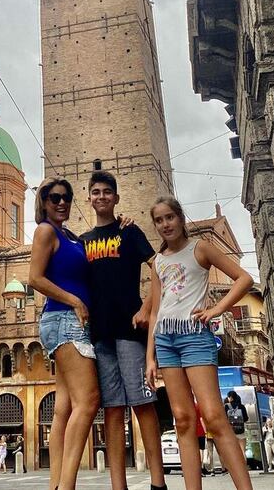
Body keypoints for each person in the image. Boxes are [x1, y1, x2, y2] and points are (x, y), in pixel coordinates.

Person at [145, 196, 256, 490]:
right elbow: (155, 310)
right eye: (159, 220)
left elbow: (243, 279)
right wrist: (150, 357)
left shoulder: (201, 248)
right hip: (165, 340)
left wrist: (218, 309)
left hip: (195, 337)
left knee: (213, 416)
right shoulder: (157, 262)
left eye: (169, 217)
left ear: (180, 219)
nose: (165, 224)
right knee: (181, 419)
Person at [81, 169, 167, 490]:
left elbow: (158, 266)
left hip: (130, 332)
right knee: (113, 411)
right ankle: (119, 486)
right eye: (96, 192)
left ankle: (159, 483)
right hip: (100, 336)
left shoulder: (129, 232)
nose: (101, 197)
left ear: (116, 198)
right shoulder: (84, 242)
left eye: (107, 192)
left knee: (143, 404)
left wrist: (147, 307)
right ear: (89, 198)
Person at [29, 177, 100, 490]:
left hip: (64, 321)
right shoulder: (45, 230)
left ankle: (56, 483)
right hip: (65, 320)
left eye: (66, 197)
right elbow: (34, 278)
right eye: (55, 197)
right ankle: (67, 484)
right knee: (89, 401)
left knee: (64, 408)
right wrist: (74, 301)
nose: (61, 203)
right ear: (44, 202)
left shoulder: (69, 236)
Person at [225, 392, 248, 459]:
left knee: (234, 452)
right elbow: (246, 418)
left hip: (231, 432)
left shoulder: (226, 406)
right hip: (241, 431)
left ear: (231, 398)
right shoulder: (241, 406)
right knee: (243, 451)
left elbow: (225, 419)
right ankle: (244, 466)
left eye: (228, 397)